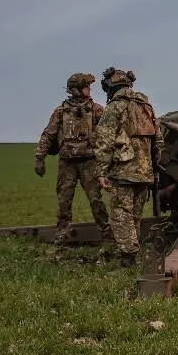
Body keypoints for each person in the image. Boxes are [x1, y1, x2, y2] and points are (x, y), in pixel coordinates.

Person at [93, 67, 165, 267]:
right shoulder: (145, 106)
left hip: (123, 170)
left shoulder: (115, 107)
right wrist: (153, 166)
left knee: (121, 214)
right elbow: (159, 140)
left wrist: (102, 172)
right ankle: (132, 251)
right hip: (145, 171)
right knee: (134, 215)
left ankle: (129, 257)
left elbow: (104, 141)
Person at [35, 73, 112, 245]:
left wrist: (109, 160)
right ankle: (62, 235)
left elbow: (108, 134)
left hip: (89, 162)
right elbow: (48, 134)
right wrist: (40, 157)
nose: (89, 89)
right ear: (76, 90)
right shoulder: (61, 111)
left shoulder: (96, 109)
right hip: (67, 163)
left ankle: (106, 235)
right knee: (64, 200)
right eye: (86, 86)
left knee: (96, 200)